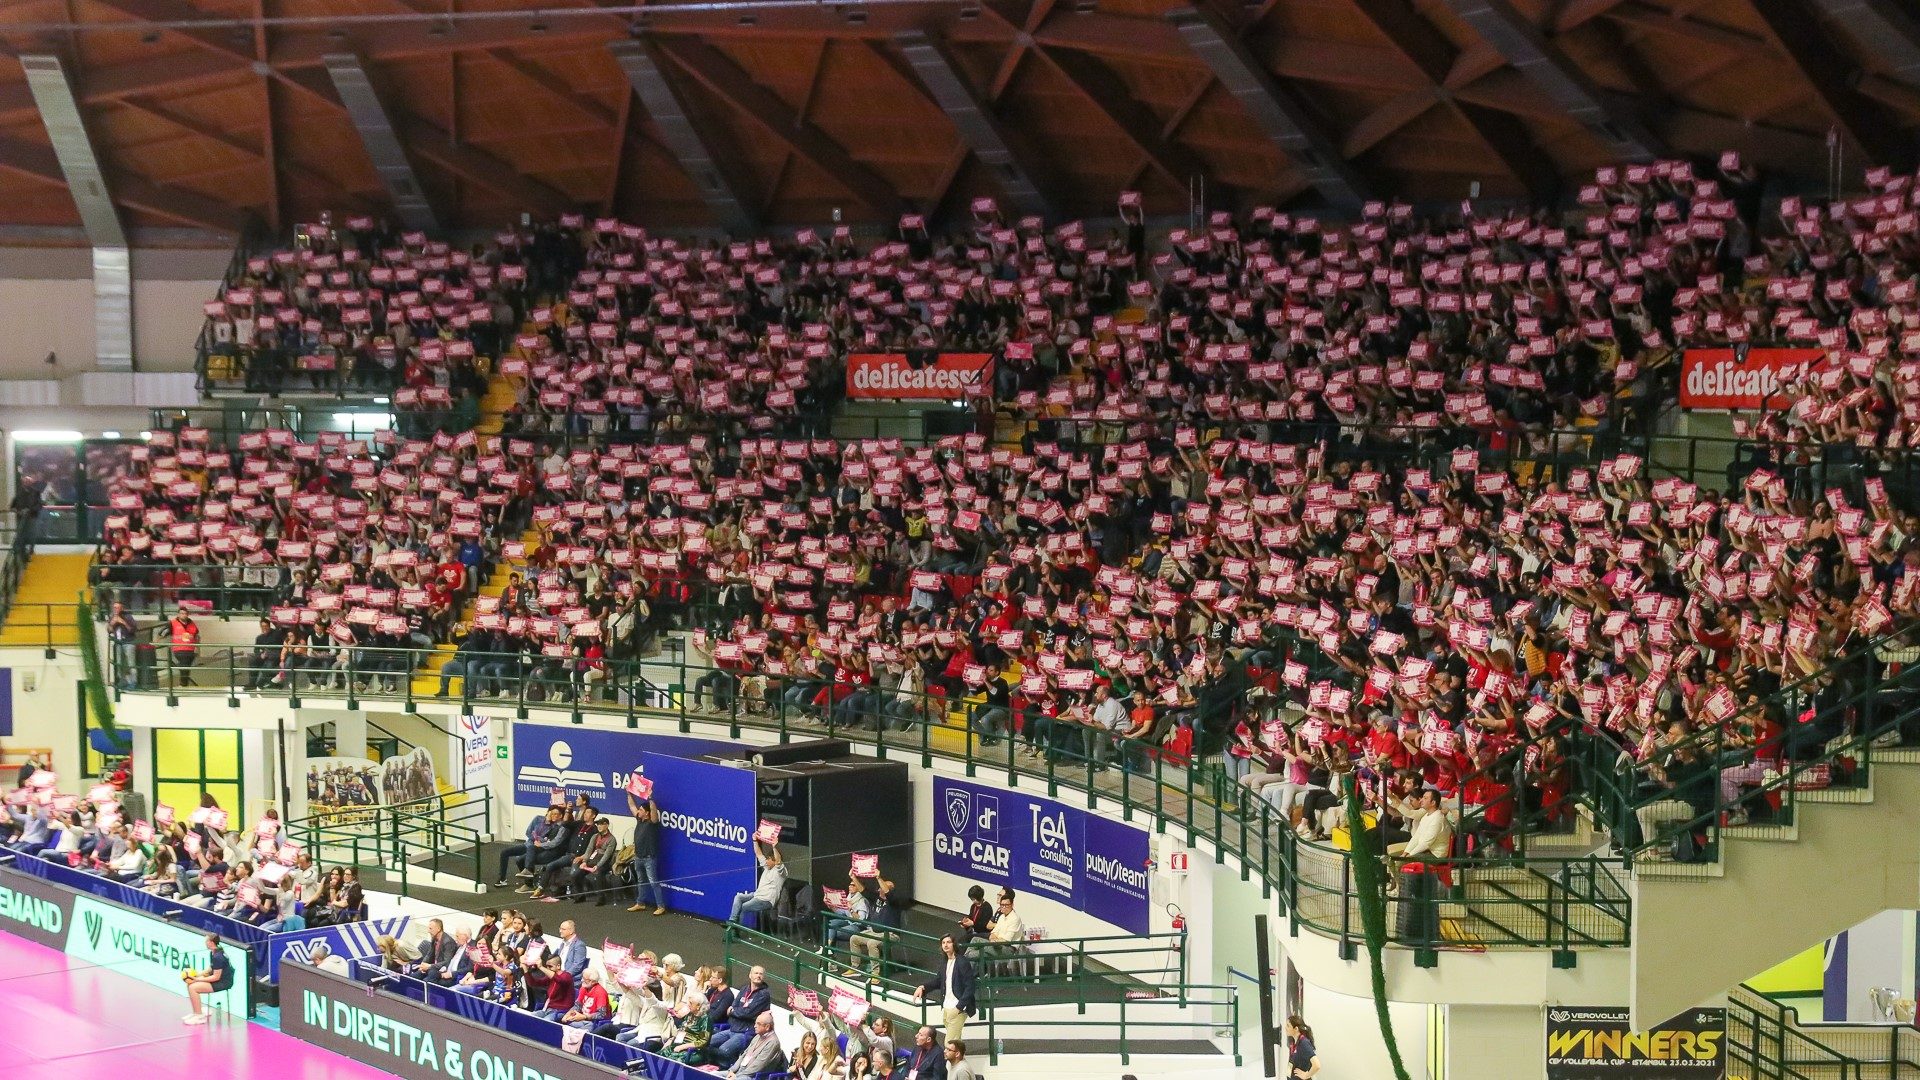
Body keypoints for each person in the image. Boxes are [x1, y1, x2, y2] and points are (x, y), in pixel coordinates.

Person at [912, 935, 976, 1046]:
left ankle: (951, 1063)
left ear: (954, 944)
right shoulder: (945, 963)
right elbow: (938, 981)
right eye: (943, 943)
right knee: (956, 1042)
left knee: (949, 1044)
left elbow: (970, 987)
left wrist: (959, 1007)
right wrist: (923, 987)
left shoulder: (962, 962)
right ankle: (959, 1061)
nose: (945, 945)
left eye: (948, 942)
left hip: (957, 1008)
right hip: (947, 1006)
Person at [708, 964, 769, 1066]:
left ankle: (727, 1069)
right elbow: (734, 1005)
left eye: (761, 974)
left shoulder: (764, 994)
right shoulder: (744, 989)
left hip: (747, 1033)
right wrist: (736, 1011)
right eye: (756, 973)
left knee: (724, 1049)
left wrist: (733, 1012)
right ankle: (712, 1066)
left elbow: (749, 1013)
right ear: (750, 975)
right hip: (732, 1028)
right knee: (708, 1042)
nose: (758, 976)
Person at [625, 792, 666, 914]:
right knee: (641, 881)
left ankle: (660, 906)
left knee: (653, 882)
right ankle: (640, 903)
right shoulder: (639, 820)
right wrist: (629, 794)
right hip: (638, 857)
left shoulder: (652, 822)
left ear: (647, 813)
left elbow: (654, 810)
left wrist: (651, 798)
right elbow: (632, 806)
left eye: (641, 809)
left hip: (649, 858)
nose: (638, 811)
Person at [729, 842, 787, 925]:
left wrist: (774, 847)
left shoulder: (781, 872)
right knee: (738, 897)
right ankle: (732, 921)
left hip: (766, 900)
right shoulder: (767, 868)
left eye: (768, 859)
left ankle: (736, 931)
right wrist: (754, 840)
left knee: (744, 907)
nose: (766, 861)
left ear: (773, 860)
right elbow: (759, 854)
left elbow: (778, 861)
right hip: (756, 895)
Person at [180, 933, 232, 1025]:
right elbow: (211, 968)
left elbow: (216, 977)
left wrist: (197, 980)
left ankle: (199, 1016)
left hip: (223, 982)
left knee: (193, 988)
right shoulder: (214, 952)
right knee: (190, 984)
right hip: (218, 979)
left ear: (211, 942)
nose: (205, 943)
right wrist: (198, 975)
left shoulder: (218, 957)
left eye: (206, 941)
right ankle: (197, 1011)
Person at [726, 1013, 786, 1078]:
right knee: (715, 1074)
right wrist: (731, 1070)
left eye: (758, 1024)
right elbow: (744, 1054)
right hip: (740, 1072)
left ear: (767, 1027)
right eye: (755, 1023)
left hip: (753, 1076)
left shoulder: (773, 1042)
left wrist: (736, 1076)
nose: (755, 1026)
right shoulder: (758, 1036)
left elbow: (758, 1066)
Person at [168, 608, 200, 686]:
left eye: (185, 613)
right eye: (182, 613)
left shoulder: (192, 623)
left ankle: (184, 684)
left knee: (187, 667)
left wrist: (197, 647)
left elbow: (197, 636)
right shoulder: (172, 623)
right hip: (179, 649)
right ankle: (183, 684)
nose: (184, 615)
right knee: (184, 665)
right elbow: (163, 632)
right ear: (178, 614)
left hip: (190, 649)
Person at [1286, 1015, 1321, 1079]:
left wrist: (1306, 1075)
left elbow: (1317, 1065)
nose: (1285, 1028)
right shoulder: (1294, 1041)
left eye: (1288, 1026)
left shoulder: (1303, 1043)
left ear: (1296, 1029)